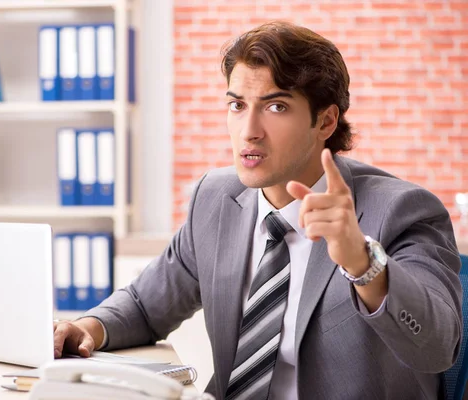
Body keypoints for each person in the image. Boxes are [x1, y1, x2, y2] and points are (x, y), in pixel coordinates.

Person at [53, 21, 462, 400]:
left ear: (325, 121)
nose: (249, 129)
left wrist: (363, 265)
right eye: (236, 105)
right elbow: (145, 305)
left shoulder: (401, 210)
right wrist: (86, 329)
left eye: (276, 106)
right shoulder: (215, 199)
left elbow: (439, 349)